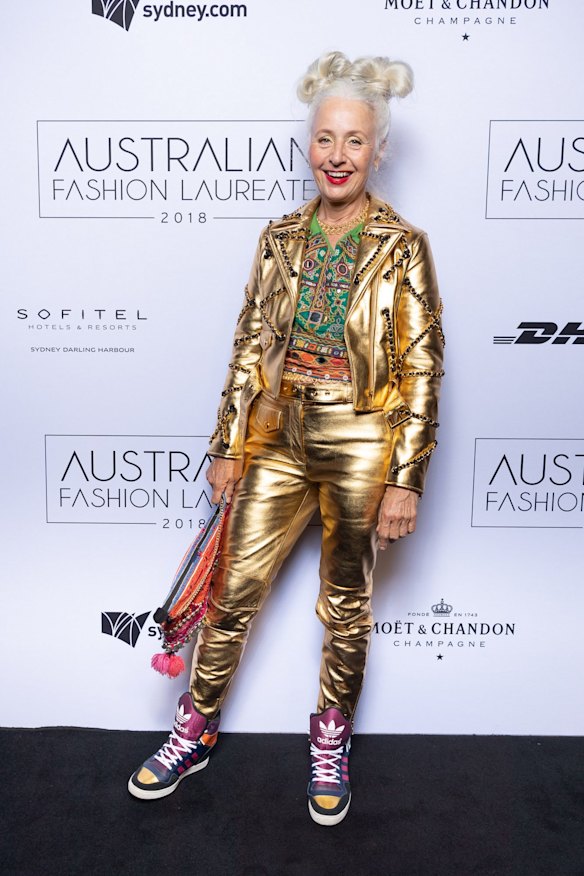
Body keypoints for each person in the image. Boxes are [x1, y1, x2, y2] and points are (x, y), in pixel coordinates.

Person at [128, 50, 444, 826]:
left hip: (365, 439)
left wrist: (406, 477)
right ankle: (194, 726)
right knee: (232, 593)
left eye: (355, 141)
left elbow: (424, 368)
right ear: (309, 144)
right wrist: (229, 443)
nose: (338, 156)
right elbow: (247, 346)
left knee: (346, 604)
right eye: (325, 139)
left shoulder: (403, 246)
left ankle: (330, 737)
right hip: (277, 433)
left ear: (378, 150)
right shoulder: (277, 239)